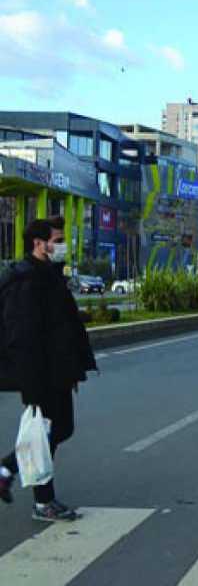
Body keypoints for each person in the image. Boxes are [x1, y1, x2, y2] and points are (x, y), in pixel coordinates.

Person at [0, 218, 97, 520]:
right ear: (39, 244)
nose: (61, 244)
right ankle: (41, 500)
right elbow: (23, 336)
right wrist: (32, 382)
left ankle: (7, 472)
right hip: (41, 374)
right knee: (46, 432)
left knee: (57, 429)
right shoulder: (27, 281)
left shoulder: (49, 275)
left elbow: (61, 328)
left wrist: (72, 370)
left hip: (57, 372)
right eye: (57, 239)